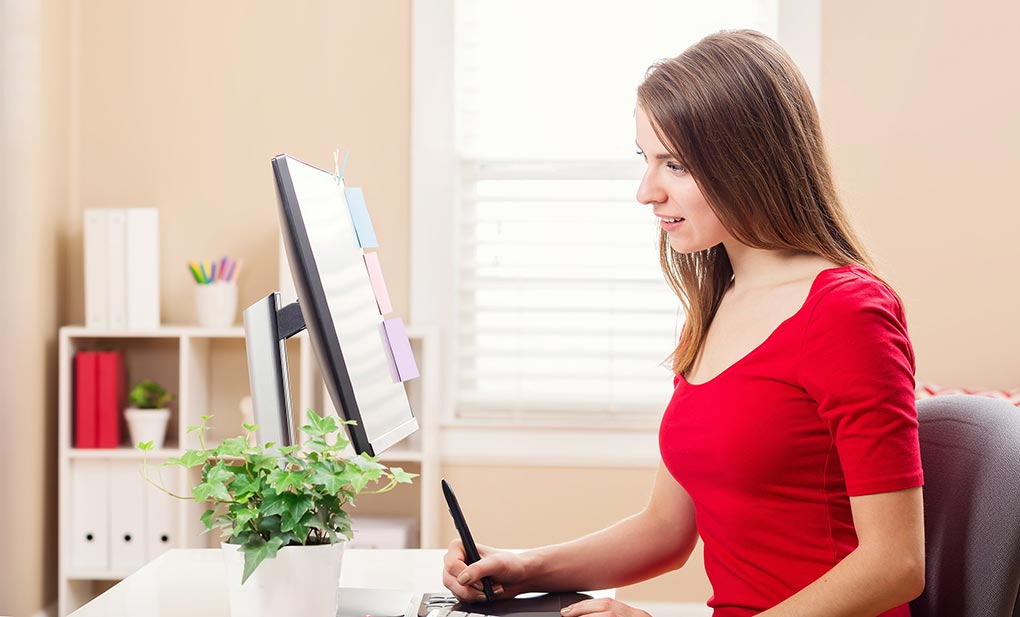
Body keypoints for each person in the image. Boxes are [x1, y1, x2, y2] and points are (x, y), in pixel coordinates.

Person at [442, 29, 925, 617]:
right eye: (646, 160)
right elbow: (667, 531)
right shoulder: (719, 305)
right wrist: (522, 567)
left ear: (748, 161)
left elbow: (895, 564)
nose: (647, 191)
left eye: (675, 164)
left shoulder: (847, 312)